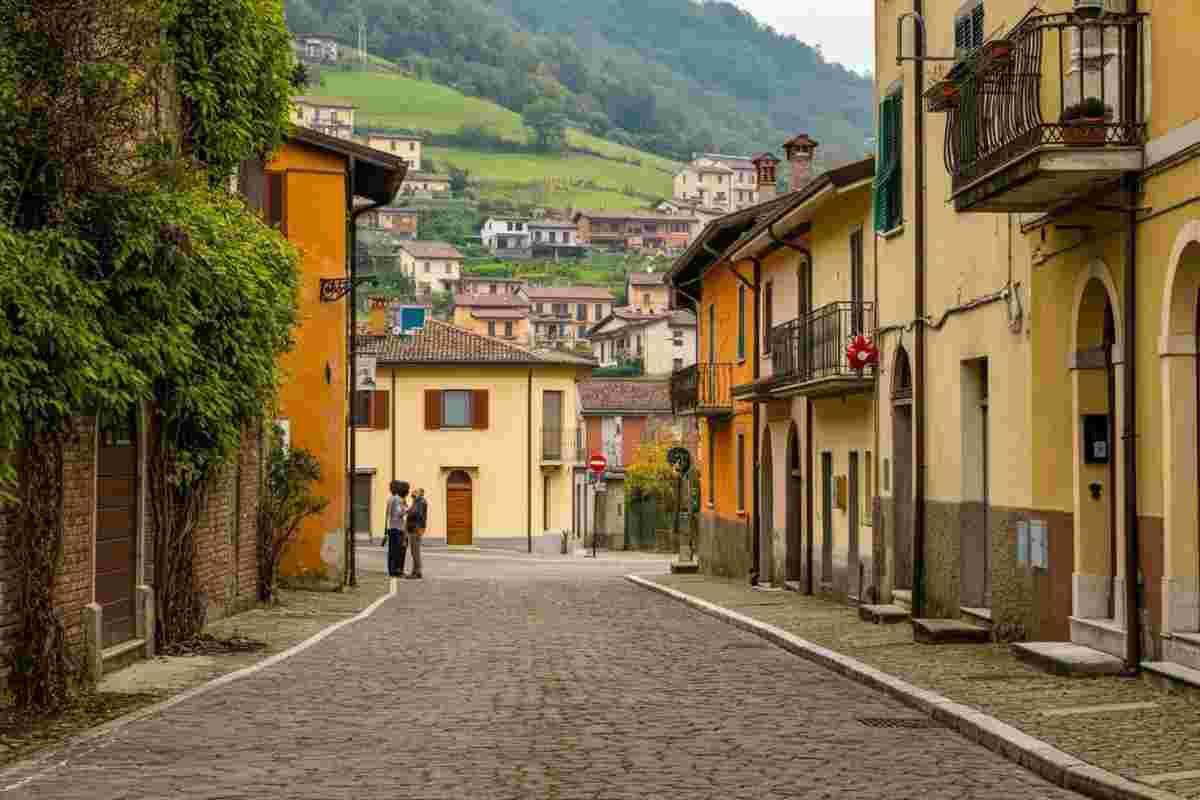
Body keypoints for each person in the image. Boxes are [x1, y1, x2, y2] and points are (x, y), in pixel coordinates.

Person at [385, 480, 410, 578]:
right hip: (398, 528)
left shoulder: (390, 499)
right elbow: (399, 513)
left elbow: (388, 513)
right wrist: (407, 509)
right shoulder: (398, 499)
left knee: (392, 551)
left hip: (392, 527)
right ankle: (397, 571)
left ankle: (391, 570)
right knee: (399, 551)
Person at [405, 487, 427, 579]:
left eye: (415, 492)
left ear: (420, 493)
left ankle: (417, 572)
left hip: (415, 529)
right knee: (414, 552)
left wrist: (408, 511)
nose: (413, 492)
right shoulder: (417, 502)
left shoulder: (420, 502)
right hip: (415, 528)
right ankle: (416, 571)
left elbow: (415, 513)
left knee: (415, 552)